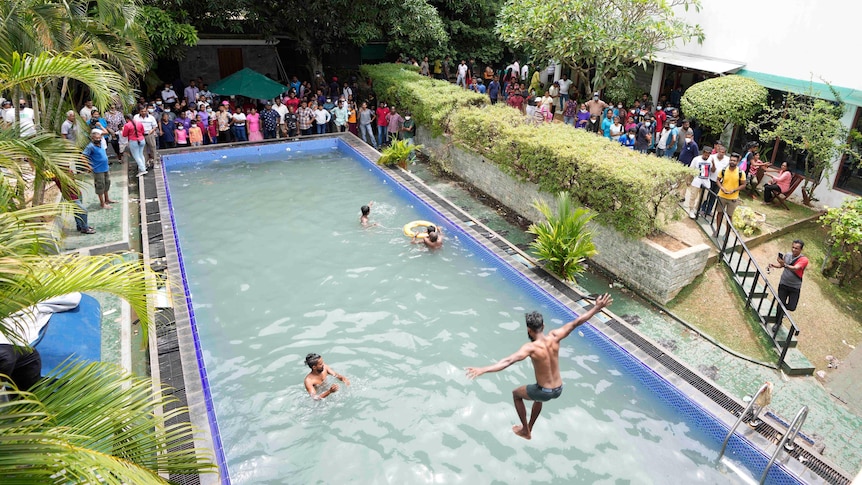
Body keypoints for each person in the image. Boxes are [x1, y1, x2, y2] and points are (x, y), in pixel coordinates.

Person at [466, 294, 613, 440]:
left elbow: (508, 361)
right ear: (543, 326)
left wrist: (483, 369)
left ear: (529, 330)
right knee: (538, 394)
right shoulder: (555, 336)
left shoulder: (531, 348)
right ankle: (529, 428)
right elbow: (576, 322)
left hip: (544, 391)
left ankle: (525, 429)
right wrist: (597, 308)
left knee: (516, 394)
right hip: (559, 389)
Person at [766, 240, 808, 331]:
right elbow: (781, 266)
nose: (793, 249)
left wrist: (784, 264)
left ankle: (782, 309)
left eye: (796, 248)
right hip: (783, 284)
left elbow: (795, 268)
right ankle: (778, 323)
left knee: (792, 307)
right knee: (780, 304)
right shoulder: (788, 255)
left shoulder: (804, 260)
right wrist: (774, 265)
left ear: (801, 249)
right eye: (792, 247)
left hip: (795, 287)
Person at [713, 152, 746, 237]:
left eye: (734, 161)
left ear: (737, 162)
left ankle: (727, 233)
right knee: (719, 213)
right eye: (731, 160)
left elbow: (743, 184)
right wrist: (721, 187)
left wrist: (734, 190)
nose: (732, 162)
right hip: (722, 196)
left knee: (729, 216)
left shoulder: (741, 173)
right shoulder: (723, 170)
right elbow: (717, 180)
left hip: (733, 198)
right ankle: (717, 230)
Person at [83, 129, 116, 207]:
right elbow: (83, 156)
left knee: (107, 183)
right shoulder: (90, 146)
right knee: (100, 186)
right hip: (98, 170)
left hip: (105, 168)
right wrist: (88, 166)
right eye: (96, 138)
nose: (98, 139)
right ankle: (102, 203)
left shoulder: (101, 144)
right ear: (92, 138)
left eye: (99, 138)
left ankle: (107, 199)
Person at [684, 146, 714, 219]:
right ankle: (691, 209)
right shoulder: (696, 159)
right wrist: (688, 179)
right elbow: (691, 169)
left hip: (706, 181)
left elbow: (713, 170)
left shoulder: (711, 160)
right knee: (693, 196)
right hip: (697, 180)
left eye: (708, 155)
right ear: (703, 152)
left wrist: (713, 163)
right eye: (705, 154)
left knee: (704, 198)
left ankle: (697, 209)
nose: (706, 156)